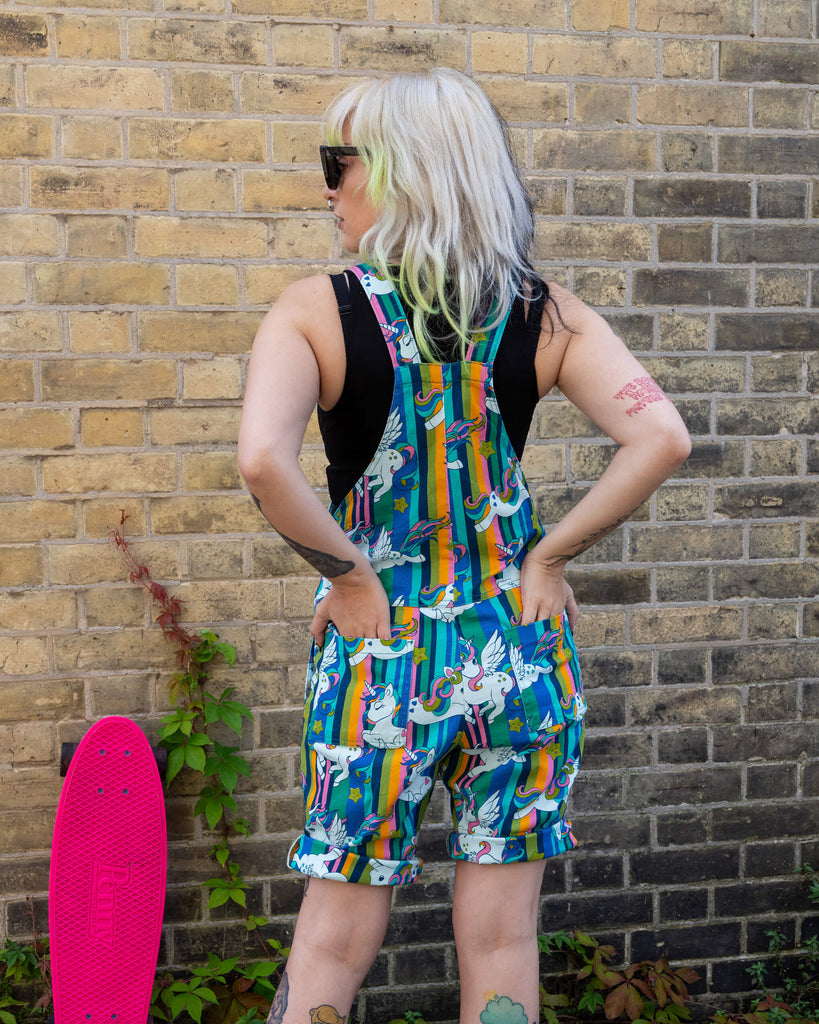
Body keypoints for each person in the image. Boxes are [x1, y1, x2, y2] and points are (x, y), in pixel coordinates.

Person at [238, 67, 691, 1024]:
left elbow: (261, 464)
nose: (326, 187)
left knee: (329, 941)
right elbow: (661, 436)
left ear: (404, 173)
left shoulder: (314, 312)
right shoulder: (546, 313)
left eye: (338, 163)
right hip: (518, 649)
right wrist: (549, 556)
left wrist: (349, 576)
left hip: (379, 658)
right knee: (500, 937)